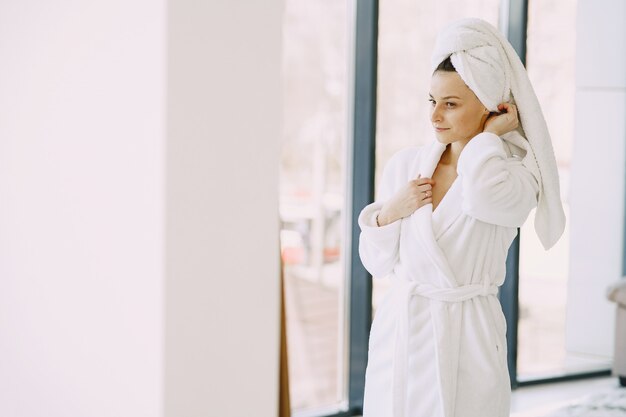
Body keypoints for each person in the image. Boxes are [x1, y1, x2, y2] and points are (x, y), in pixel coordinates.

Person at [357, 18, 566, 417]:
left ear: (488, 103)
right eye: (431, 101)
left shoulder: (515, 176)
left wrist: (488, 139)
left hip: (468, 335)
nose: (435, 116)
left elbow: (482, 196)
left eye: (451, 104)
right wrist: (389, 213)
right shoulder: (406, 167)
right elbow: (376, 262)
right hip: (402, 332)